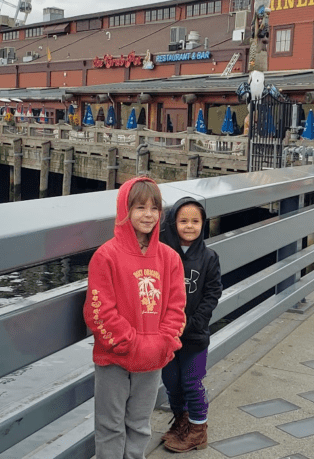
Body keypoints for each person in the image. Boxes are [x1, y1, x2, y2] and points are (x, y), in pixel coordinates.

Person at [83, 177, 187, 459]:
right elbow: (99, 309)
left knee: (140, 424)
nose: (148, 215)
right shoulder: (106, 256)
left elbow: (177, 306)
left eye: (155, 208)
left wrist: (161, 341)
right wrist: (130, 342)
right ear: (124, 210)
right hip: (114, 356)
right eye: (140, 207)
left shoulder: (169, 258)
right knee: (110, 425)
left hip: (153, 357)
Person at [158, 198, 223, 453]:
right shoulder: (163, 254)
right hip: (167, 334)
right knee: (172, 383)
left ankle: (198, 430)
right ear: (173, 224)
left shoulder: (209, 257)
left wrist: (196, 322)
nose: (189, 226)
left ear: (203, 224)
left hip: (195, 336)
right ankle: (181, 422)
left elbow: (212, 293)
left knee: (191, 382)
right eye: (183, 221)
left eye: (195, 221)